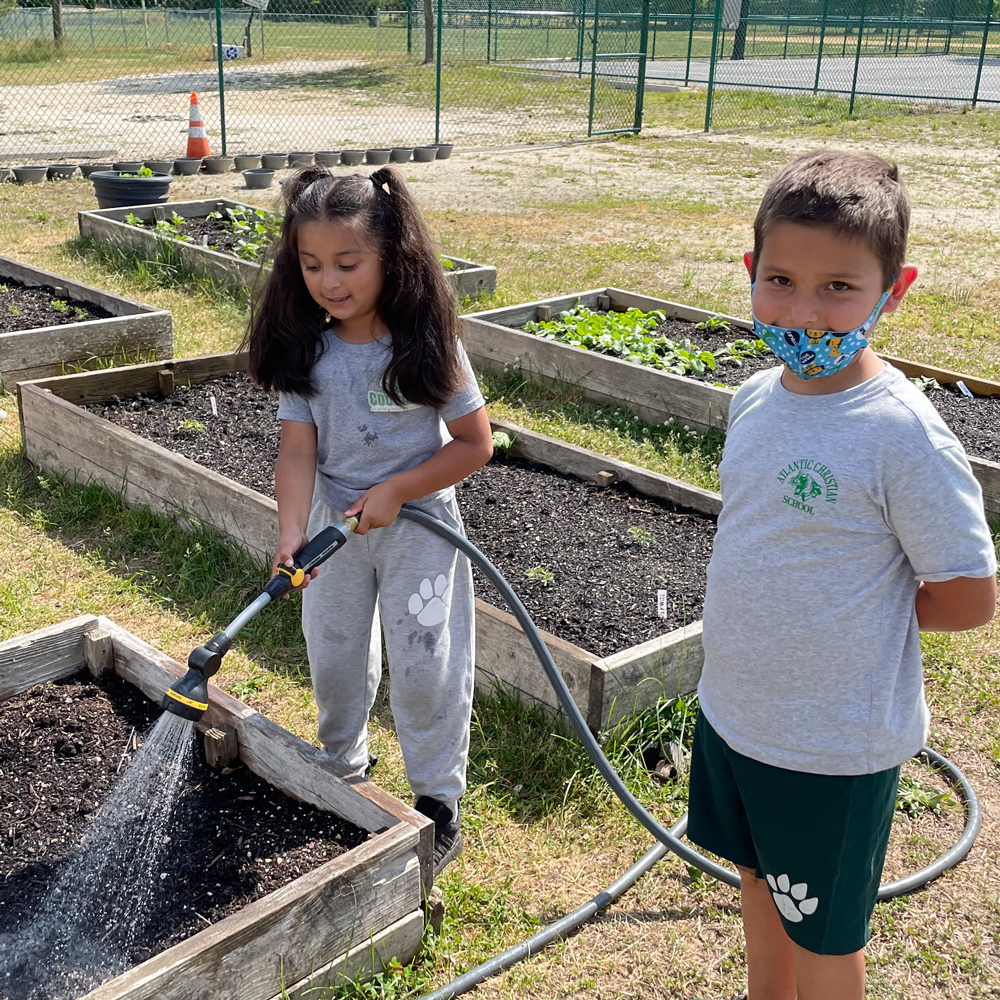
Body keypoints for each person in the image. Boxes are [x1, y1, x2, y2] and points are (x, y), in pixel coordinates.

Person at [687, 150, 997, 1000]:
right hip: (738, 714)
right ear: (750, 271)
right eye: (781, 280)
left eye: (839, 289)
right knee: (760, 885)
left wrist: (856, 618)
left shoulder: (902, 435)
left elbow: (969, 596)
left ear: (893, 292)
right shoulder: (755, 399)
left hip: (831, 746)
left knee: (824, 936)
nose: (805, 313)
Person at [244, 166, 493, 876]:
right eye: (312, 264)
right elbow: (297, 449)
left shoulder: (427, 345)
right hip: (333, 533)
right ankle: (342, 770)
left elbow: (476, 445)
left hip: (419, 532)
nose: (330, 280)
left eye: (348, 263)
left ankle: (437, 803)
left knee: (425, 665)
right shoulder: (309, 350)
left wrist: (398, 489)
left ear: (390, 256)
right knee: (335, 651)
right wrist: (293, 529)